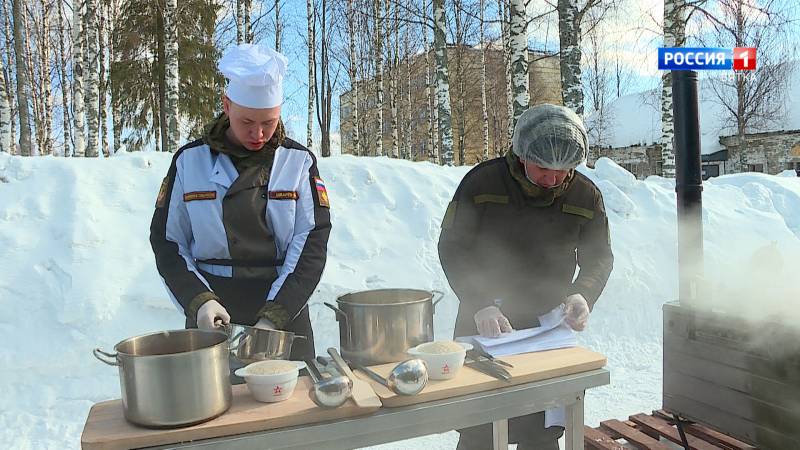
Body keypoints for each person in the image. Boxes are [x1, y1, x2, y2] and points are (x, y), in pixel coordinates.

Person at [437, 103, 613, 450]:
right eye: (543, 169)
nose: (552, 179)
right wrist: (479, 303)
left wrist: (583, 294)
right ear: (521, 155)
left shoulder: (585, 194)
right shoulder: (482, 182)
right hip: (486, 322)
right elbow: (452, 247)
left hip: (546, 325)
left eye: (562, 171)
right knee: (480, 427)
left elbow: (599, 257)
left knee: (542, 428)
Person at [149, 43, 331, 363]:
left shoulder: (297, 162)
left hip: (285, 304)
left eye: (269, 122)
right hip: (213, 307)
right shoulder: (190, 162)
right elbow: (168, 241)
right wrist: (199, 301)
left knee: (293, 407)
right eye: (247, 121)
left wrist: (277, 313)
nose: (258, 133)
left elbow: (312, 242)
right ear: (227, 105)